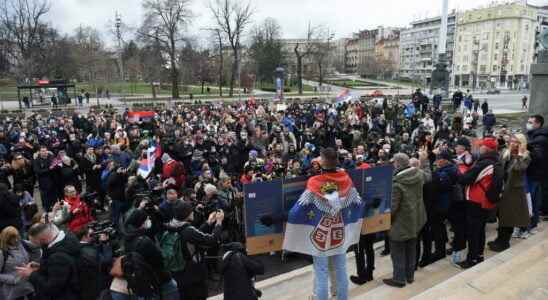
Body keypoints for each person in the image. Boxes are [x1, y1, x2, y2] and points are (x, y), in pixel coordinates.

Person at [283, 148, 363, 300]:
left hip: (321, 237)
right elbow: (358, 202)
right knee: (341, 270)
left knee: (321, 273)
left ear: (323, 162)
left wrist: (276, 218)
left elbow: (297, 209)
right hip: (339, 234)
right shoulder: (346, 180)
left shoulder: (314, 183)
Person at [383, 151, 429, 288]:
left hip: (400, 223)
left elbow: (393, 207)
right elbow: (429, 176)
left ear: (397, 164)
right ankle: (410, 276)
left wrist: (383, 219)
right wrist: (425, 162)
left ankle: (399, 279)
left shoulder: (397, 183)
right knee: (411, 248)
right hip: (416, 219)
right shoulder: (419, 174)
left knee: (398, 252)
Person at [457, 137, 499, 269]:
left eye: (480, 146)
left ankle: (471, 259)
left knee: (473, 231)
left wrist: (461, 167)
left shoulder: (484, 163)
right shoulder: (494, 160)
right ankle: (479, 256)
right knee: (480, 230)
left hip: (476, 200)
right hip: (485, 201)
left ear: (485, 148)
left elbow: (465, 179)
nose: (478, 148)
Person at [170, 201, 224, 300]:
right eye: (191, 211)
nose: (193, 213)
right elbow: (211, 240)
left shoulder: (172, 225)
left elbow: (195, 236)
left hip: (178, 271)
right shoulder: (188, 230)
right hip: (193, 274)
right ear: (186, 214)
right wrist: (219, 222)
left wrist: (208, 222)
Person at [488, 134, 530, 252]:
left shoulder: (525, 156)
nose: (513, 144)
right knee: (501, 215)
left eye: (516, 142)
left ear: (521, 144)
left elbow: (517, 169)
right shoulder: (505, 153)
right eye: (511, 141)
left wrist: (520, 155)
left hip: (514, 191)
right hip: (503, 189)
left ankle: (504, 242)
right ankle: (499, 238)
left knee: (509, 217)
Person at [16, 223, 81, 300]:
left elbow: (51, 288)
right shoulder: (67, 239)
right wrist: (42, 266)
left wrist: (31, 274)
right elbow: (58, 271)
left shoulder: (58, 258)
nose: (34, 245)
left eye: (35, 243)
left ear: (43, 240)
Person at [75, 226, 113, 300]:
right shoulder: (87, 251)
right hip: (97, 287)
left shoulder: (82, 247)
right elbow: (106, 260)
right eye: (91, 235)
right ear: (84, 237)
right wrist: (105, 244)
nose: (94, 236)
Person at [525, 115, 548, 233]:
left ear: (538, 124)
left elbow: (538, 156)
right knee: (534, 199)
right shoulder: (535, 136)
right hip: (536, 173)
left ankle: (529, 225)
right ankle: (531, 224)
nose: (528, 124)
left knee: (531, 199)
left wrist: (527, 148)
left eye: (530, 122)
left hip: (534, 173)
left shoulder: (540, 139)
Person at [0, 226, 34, 300]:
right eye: (12, 238)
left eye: (17, 236)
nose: (16, 240)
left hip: (29, 286)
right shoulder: (2, 253)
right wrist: (13, 279)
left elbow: (37, 248)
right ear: (6, 239)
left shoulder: (23, 243)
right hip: (12, 292)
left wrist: (34, 262)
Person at [32, 146, 56, 211]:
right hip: (44, 183)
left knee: (54, 197)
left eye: (45, 151)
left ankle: (55, 208)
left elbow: (55, 164)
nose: (44, 152)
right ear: (39, 152)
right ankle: (47, 210)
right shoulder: (36, 160)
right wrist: (49, 169)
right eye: (42, 151)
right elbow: (37, 171)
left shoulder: (51, 157)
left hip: (53, 180)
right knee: (46, 198)